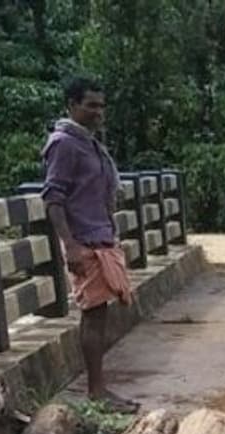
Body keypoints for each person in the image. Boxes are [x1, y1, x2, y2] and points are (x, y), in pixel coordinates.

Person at [41, 77, 137, 412]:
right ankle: (96, 391)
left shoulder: (89, 144)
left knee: (100, 315)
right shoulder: (64, 144)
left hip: (101, 238)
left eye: (101, 105)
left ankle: (99, 388)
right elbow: (53, 198)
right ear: (72, 105)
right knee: (93, 316)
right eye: (90, 105)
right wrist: (70, 246)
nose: (99, 112)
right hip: (85, 241)